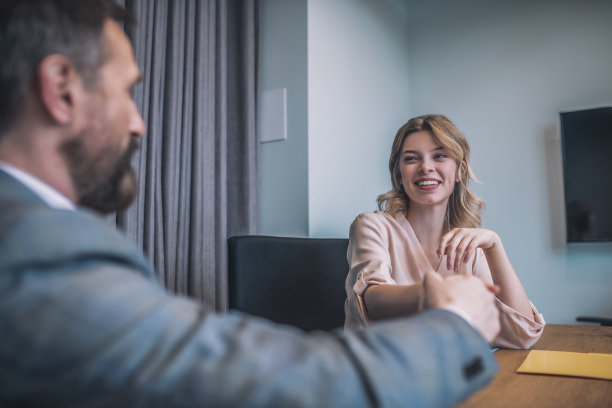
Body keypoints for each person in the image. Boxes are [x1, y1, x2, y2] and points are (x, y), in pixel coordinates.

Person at [0, 1, 500, 406]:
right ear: (62, 88)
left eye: (440, 157)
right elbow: (276, 382)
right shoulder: (34, 245)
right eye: (128, 92)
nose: (139, 123)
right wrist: (452, 322)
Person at [344, 114, 545, 349]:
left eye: (439, 156)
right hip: (378, 374)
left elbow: (522, 334)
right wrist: (432, 295)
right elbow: (372, 301)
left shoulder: (470, 248)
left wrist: (494, 245)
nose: (426, 167)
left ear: (460, 171)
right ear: (399, 173)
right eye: (411, 159)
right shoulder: (371, 226)